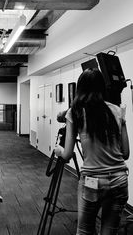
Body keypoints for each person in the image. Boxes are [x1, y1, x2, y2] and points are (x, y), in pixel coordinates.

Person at [55, 68, 130, 235]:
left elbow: (67, 154)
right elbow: (125, 153)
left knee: (84, 231)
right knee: (109, 232)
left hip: (92, 181)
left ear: (80, 89)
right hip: (119, 180)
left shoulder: (75, 112)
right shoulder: (117, 111)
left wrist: (58, 150)